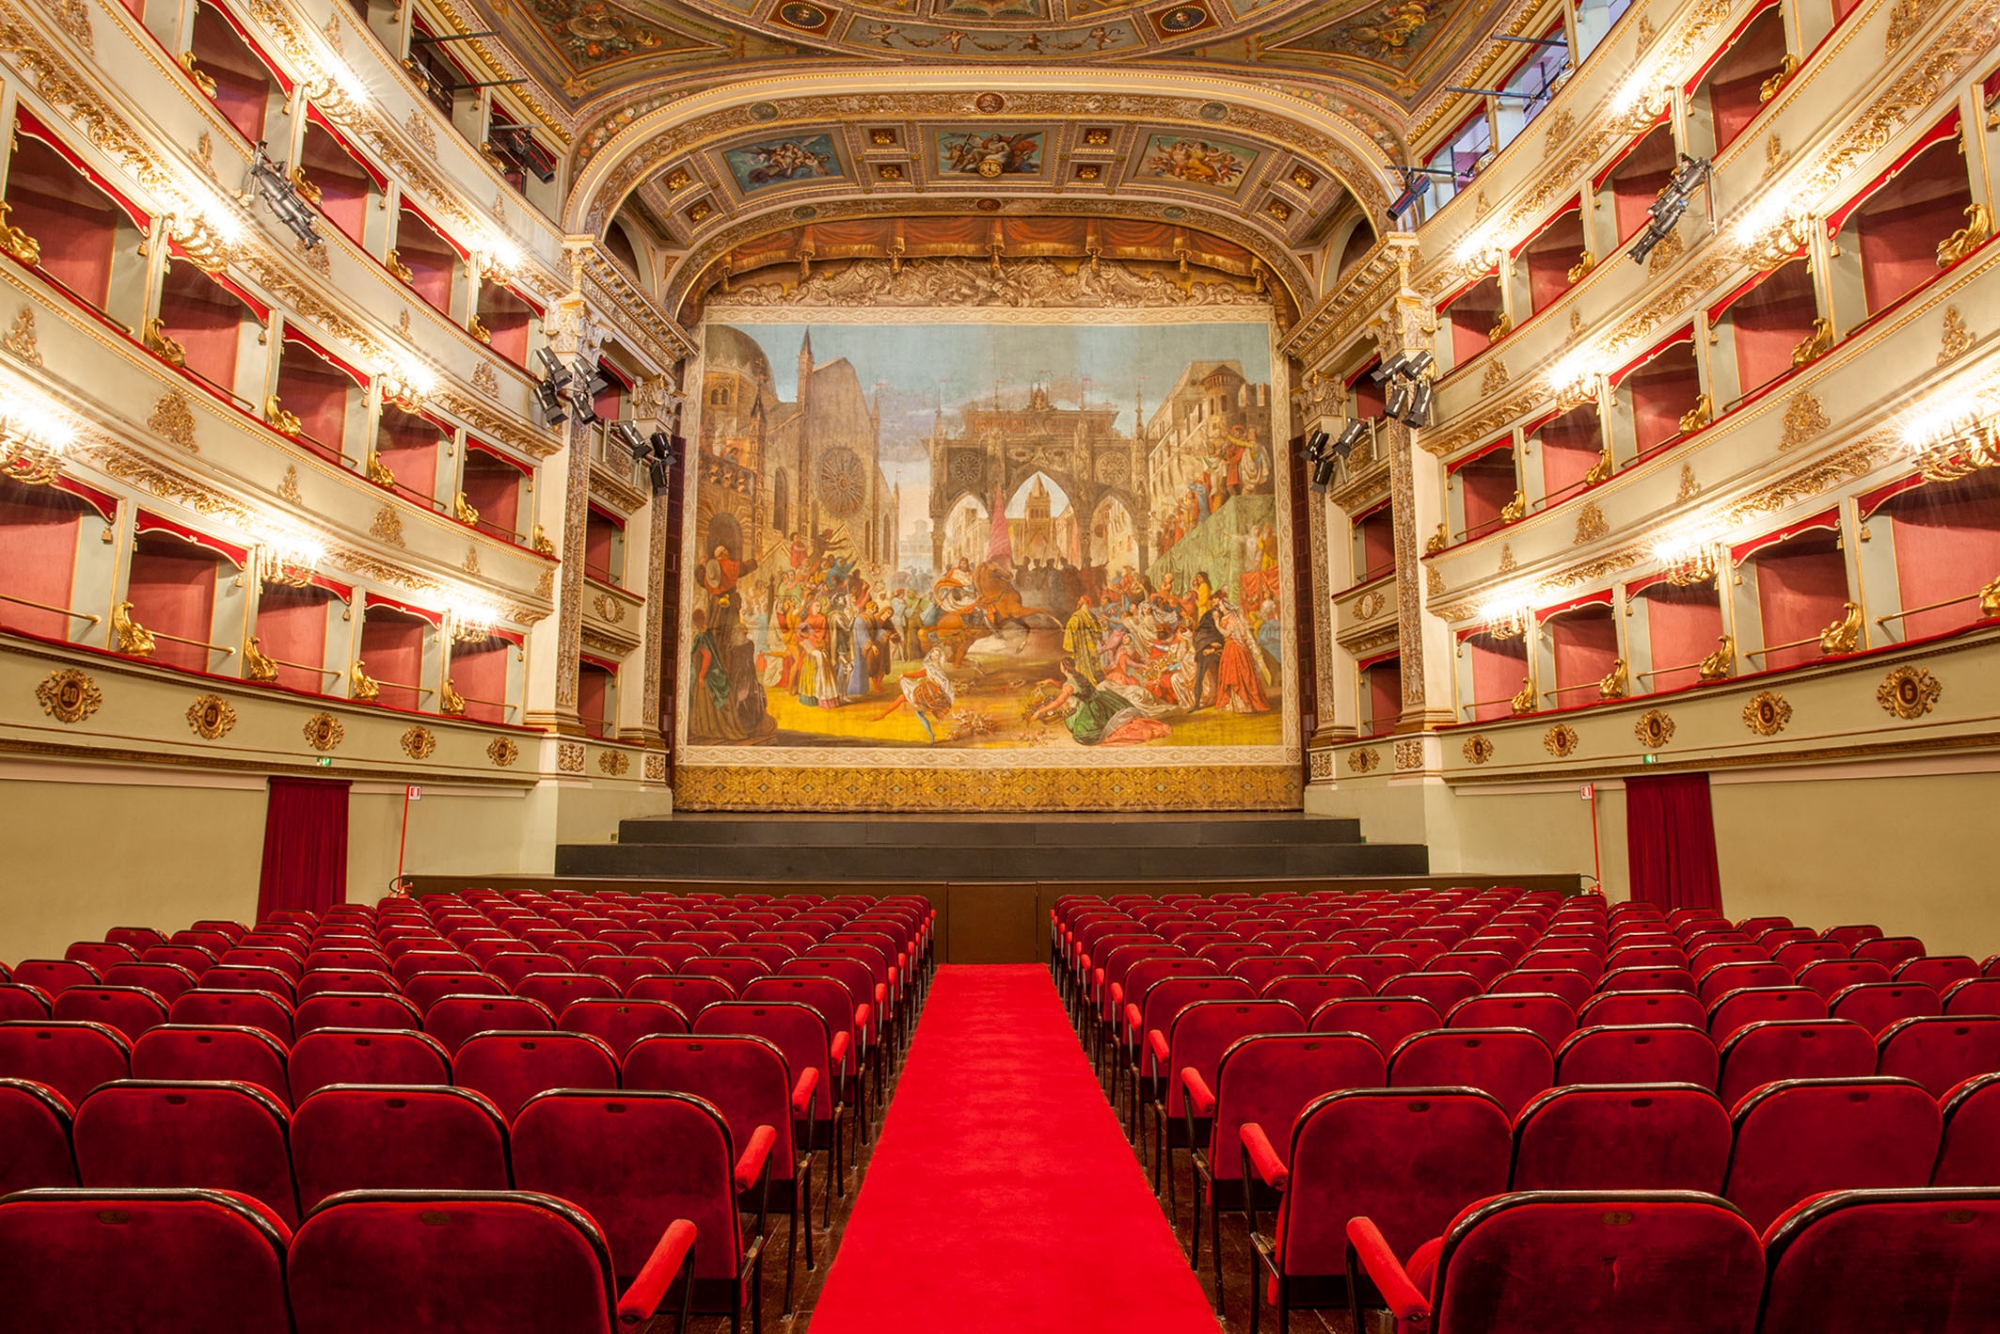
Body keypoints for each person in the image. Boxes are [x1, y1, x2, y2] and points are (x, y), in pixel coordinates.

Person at [1032, 658, 1173, 746]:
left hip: (1091, 710)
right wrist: (1050, 681)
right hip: (1102, 700)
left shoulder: (1069, 685)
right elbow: (1068, 687)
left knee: (1081, 735)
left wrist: (1039, 711)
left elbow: (1059, 701)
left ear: (1063, 668)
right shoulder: (1078, 676)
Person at [1213, 597, 1272, 714]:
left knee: (1236, 674)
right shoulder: (1226, 617)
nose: (1219, 607)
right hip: (1229, 647)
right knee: (1230, 674)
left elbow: (1227, 633)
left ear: (1226, 606)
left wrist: (1216, 622)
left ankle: (1242, 705)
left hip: (1234, 649)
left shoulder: (1232, 618)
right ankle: (1233, 704)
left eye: (1220, 605)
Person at [1062, 594, 1106, 682]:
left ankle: (1085, 681)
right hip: (1090, 646)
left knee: (1083, 663)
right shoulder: (1091, 616)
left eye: (1080, 600)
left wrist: (1068, 629)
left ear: (1084, 602)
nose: (1078, 602)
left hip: (1082, 647)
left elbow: (1071, 627)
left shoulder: (1077, 616)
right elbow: (1097, 632)